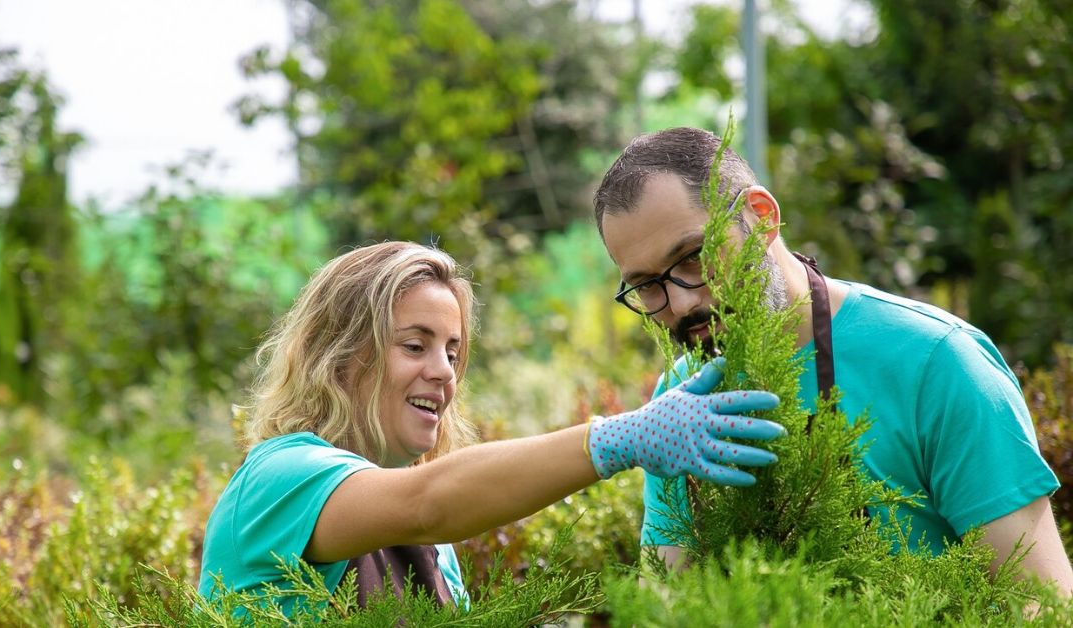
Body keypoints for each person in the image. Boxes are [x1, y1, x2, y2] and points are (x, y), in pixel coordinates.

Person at [592, 127, 1073, 593]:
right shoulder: (680, 400)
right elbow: (667, 594)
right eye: (646, 285)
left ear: (761, 217)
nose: (679, 305)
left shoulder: (935, 362)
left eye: (694, 257)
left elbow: (1039, 600)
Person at [196, 241, 787, 616]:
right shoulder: (278, 479)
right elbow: (426, 502)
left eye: (453, 352)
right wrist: (618, 439)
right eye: (414, 345)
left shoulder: (431, 550)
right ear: (340, 357)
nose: (442, 372)